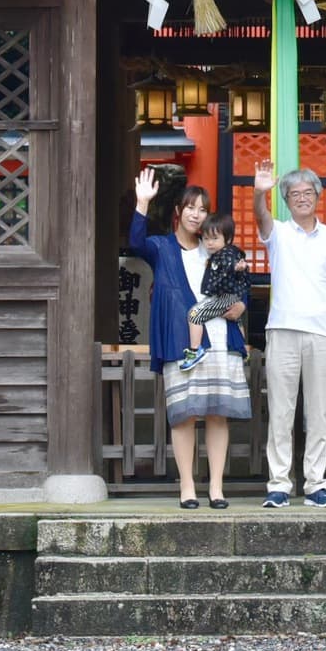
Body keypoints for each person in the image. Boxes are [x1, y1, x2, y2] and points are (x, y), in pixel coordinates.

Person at [129, 170, 250, 509]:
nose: (196, 215)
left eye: (202, 209)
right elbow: (135, 243)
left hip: (221, 339)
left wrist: (241, 305)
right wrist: (142, 203)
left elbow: (241, 286)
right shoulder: (162, 247)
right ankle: (187, 486)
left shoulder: (216, 248)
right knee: (184, 415)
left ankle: (216, 487)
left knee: (218, 414)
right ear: (178, 211)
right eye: (191, 208)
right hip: (182, 344)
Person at [254, 160, 326, 509]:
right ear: (286, 200)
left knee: (319, 411)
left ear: (318, 196)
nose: (302, 198)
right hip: (282, 329)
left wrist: (320, 304)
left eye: (308, 192)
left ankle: (315, 484)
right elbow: (260, 218)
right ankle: (279, 484)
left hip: (320, 332)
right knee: (281, 410)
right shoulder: (278, 233)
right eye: (294, 194)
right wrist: (259, 193)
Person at [181, 211, 250, 371]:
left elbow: (229, 264)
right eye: (206, 238)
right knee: (237, 320)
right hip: (231, 297)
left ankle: (195, 350)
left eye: (214, 238)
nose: (209, 243)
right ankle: (243, 349)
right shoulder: (222, 253)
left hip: (225, 296)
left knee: (194, 315)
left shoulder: (226, 254)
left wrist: (235, 268)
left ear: (228, 239)